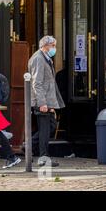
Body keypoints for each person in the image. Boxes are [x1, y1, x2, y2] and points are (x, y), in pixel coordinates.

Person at [28, 35, 65, 167]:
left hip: (46, 100)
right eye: (53, 46)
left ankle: (29, 145)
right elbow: (37, 83)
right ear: (45, 46)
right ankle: (43, 157)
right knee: (44, 128)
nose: (54, 48)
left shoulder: (45, 58)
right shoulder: (39, 58)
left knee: (51, 125)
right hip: (41, 100)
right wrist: (42, 103)